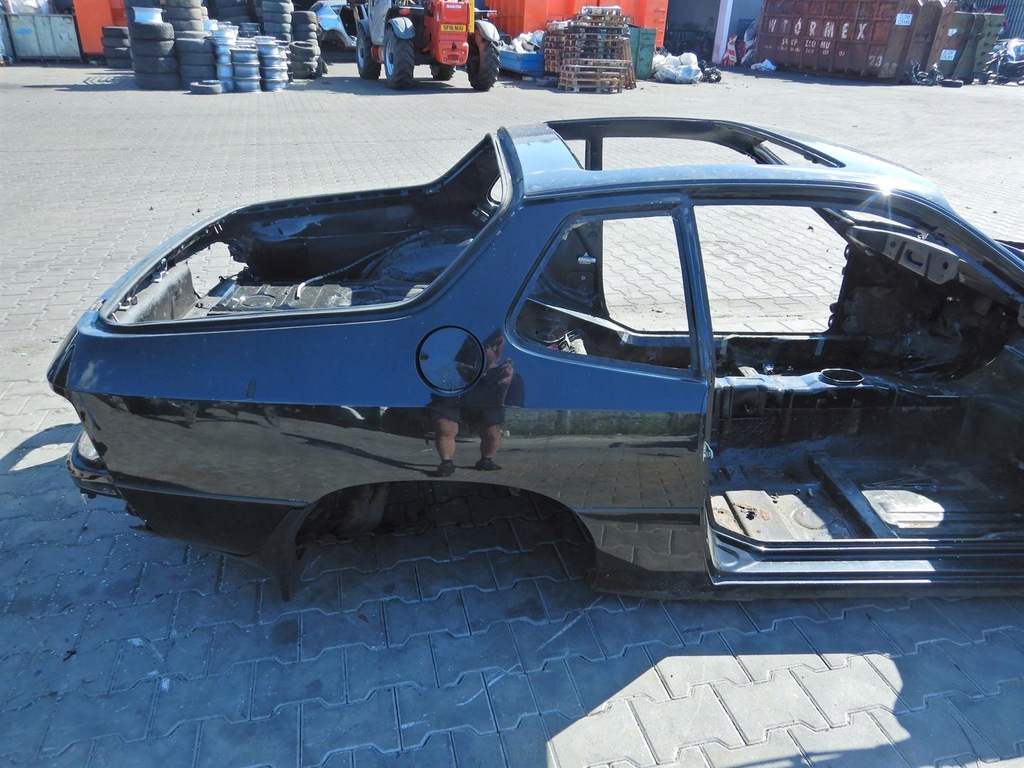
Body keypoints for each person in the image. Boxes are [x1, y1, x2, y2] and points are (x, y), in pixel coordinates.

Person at [431, 330, 524, 476]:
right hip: (457, 384)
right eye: (491, 345)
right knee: (446, 427)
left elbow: (510, 402)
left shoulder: (506, 374)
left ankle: (486, 460)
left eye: (498, 346)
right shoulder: (453, 367)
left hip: (487, 389)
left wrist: (503, 384)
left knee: (492, 431)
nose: (495, 349)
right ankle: (446, 463)